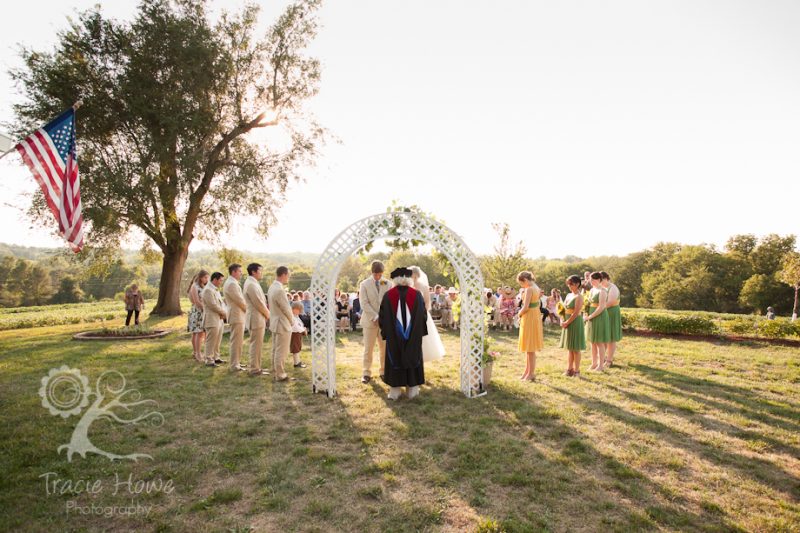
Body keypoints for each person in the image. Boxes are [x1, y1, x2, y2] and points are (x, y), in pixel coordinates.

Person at [379, 267, 427, 400]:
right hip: (413, 337)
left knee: (395, 358)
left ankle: (395, 392)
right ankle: (412, 391)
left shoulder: (388, 295)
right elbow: (423, 316)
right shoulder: (417, 295)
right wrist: (418, 332)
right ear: (409, 279)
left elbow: (382, 317)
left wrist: (386, 332)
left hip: (394, 337)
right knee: (412, 357)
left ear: (395, 280)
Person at [358, 261, 392, 384]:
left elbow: (390, 302)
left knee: (384, 348)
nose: (377, 277)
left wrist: (382, 317)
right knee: (368, 348)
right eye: (375, 274)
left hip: (385, 322)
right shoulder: (364, 284)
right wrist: (375, 317)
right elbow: (364, 303)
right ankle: (366, 373)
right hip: (369, 321)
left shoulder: (388, 283)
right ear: (372, 272)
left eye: (379, 274)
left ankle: (383, 371)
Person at [410, 265, 446, 363]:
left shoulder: (423, 287)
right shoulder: (407, 286)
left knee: (423, 338)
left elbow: (427, 302)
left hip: (421, 315)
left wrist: (421, 314)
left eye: (413, 276)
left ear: (417, 276)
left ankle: (420, 357)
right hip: (408, 315)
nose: (412, 278)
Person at [268, 266, 294, 382]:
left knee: (275, 349)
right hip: (282, 323)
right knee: (281, 350)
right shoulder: (279, 289)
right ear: (283, 274)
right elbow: (286, 308)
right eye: (288, 275)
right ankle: (280, 374)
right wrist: (293, 321)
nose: (288, 277)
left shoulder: (272, 287)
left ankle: (275, 371)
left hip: (275, 321)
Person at [244, 263, 270, 376]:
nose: (261, 273)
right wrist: (268, 314)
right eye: (260, 271)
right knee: (255, 345)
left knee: (258, 345)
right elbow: (258, 303)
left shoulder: (253, 283)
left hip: (258, 318)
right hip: (255, 318)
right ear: (253, 272)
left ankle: (257, 367)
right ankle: (254, 369)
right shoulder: (251, 284)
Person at [517, 271, 544, 381]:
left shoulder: (529, 289)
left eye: (521, 283)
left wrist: (518, 314)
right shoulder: (536, 287)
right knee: (529, 347)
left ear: (525, 280)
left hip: (530, 317)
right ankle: (527, 371)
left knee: (530, 347)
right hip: (535, 315)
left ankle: (531, 373)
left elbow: (526, 306)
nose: (522, 286)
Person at [559, 275, 586, 377]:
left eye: (571, 284)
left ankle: (577, 370)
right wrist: (562, 320)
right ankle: (569, 369)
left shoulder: (579, 296)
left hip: (574, 322)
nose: (569, 286)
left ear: (577, 284)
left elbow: (576, 312)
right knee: (570, 348)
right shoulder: (568, 295)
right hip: (567, 322)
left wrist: (567, 322)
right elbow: (563, 309)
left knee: (576, 348)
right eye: (568, 284)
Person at [223, 264, 247, 372]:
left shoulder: (232, 283)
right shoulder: (231, 284)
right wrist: (249, 310)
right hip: (236, 314)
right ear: (233, 272)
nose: (241, 274)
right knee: (236, 341)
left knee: (238, 340)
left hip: (238, 314)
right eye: (239, 271)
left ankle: (236, 362)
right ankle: (234, 364)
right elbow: (239, 300)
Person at [586, 272, 611, 371]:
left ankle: (600, 365)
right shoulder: (592, 290)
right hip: (591, 315)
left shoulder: (603, 291)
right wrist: (586, 314)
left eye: (593, 280)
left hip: (599, 316)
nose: (591, 282)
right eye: (590, 280)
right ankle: (593, 363)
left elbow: (601, 307)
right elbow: (589, 303)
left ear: (599, 280)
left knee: (599, 342)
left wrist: (591, 316)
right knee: (592, 341)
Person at [201, 272, 227, 367]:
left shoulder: (215, 290)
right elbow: (213, 305)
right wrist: (224, 313)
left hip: (218, 319)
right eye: (220, 280)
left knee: (218, 339)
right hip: (211, 319)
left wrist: (223, 312)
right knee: (211, 340)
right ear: (215, 279)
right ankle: (209, 359)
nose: (221, 282)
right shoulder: (208, 290)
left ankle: (216, 357)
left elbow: (220, 304)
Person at [600, 272, 622, 367]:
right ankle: (602, 358)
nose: (600, 282)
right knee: (604, 337)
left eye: (602, 280)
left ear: (606, 278)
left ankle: (609, 360)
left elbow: (610, 302)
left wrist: (598, 309)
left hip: (612, 313)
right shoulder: (601, 288)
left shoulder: (613, 288)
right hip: (604, 312)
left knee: (611, 337)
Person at [187, 270, 210, 362]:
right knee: (198, 333)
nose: (207, 279)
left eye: (207, 277)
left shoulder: (203, 286)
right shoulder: (194, 286)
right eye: (205, 277)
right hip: (197, 312)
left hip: (201, 311)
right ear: (200, 277)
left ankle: (196, 352)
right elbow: (196, 301)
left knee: (198, 333)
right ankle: (198, 353)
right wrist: (206, 309)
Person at [290, 301, 308, 368]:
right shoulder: (292, 317)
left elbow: (300, 324)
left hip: (298, 334)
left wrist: (303, 328)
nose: (300, 312)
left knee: (298, 348)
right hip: (294, 334)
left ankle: (298, 361)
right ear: (295, 309)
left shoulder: (296, 316)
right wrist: (303, 330)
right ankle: (296, 363)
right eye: (299, 310)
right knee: (295, 348)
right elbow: (295, 327)